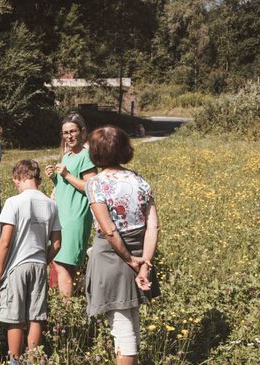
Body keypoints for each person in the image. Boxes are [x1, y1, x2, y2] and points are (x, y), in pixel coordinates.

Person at [84, 126, 160, 365]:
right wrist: (144, 263)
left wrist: (129, 259)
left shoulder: (96, 184)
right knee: (131, 327)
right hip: (139, 254)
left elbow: (109, 230)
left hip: (111, 258)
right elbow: (153, 226)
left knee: (123, 332)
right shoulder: (139, 180)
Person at [0, 160, 61, 364]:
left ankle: (15, 359)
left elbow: (4, 242)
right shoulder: (50, 204)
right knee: (36, 315)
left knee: (15, 317)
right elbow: (56, 244)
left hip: (16, 267)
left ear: (17, 179)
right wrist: (43, 260)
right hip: (39, 264)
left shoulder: (14, 202)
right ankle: (33, 359)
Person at [44, 113, 97, 303]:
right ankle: (69, 307)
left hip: (75, 216)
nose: (69, 136)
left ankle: (65, 310)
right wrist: (54, 177)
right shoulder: (66, 156)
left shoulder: (86, 156)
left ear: (82, 132)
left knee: (62, 263)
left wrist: (66, 175)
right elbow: (64, 187)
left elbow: (90, 187)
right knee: (67, 264)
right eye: (65, 133)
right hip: (62, 214)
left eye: (73, 131)